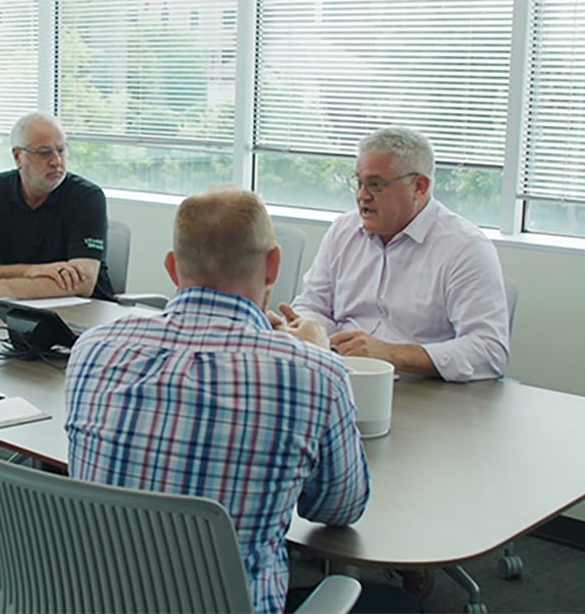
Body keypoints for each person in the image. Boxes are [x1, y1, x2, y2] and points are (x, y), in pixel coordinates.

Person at [64, 186, 370, 613]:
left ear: (172, 268)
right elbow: (339, 507)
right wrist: (316, 357)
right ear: (273, 265)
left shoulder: (93, 349)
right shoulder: (314, 373)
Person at [280, 126, 510, 383]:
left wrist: (392, 354)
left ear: (419, 186)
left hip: (426, 394)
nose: (362, 196)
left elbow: (489, 351)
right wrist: (308, 330)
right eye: (358, 183)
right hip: (341, 378)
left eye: (376, 185)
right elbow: (313, 305)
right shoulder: (343, 231)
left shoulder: (465, 247)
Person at [0, 112, 115, 300]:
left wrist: (3, 287)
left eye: (61, 150)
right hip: (13, 311)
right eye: (44, 152)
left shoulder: (87, 197)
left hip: (86, 312)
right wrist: (33, 271)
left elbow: (83, 283)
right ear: (18, 156)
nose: (56, 161)